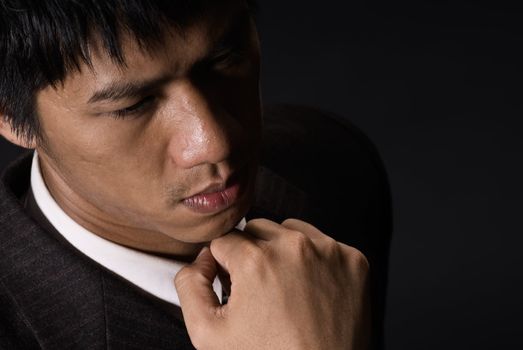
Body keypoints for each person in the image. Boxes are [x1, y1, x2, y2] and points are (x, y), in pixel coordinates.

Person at [0, 0, 391, 349]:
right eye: (133, 105)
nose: (214, 143)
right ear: (9, 116)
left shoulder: (332, 163)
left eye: (225, 59)